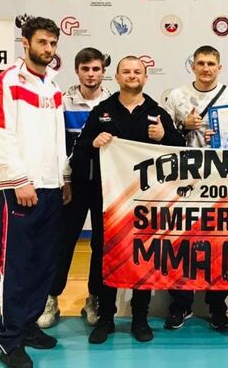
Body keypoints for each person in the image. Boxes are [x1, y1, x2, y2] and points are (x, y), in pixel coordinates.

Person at [71, 56, 185, 344]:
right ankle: (106, 318)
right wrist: (93, 143)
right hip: (108, 200)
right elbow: (80, 148)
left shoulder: (157, 113)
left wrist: (164, 137)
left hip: (146, 202)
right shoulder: (102, 111)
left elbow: (181, 151)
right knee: (105, 254)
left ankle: (140, 318)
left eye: (137, 72)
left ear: (145, 78)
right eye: (126, 71)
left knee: (143, 255)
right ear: (118, 77)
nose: (132, 75)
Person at [0, 16, 68, 368]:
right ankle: (10, 338)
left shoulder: (52, 85)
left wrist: (64, 176)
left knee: (43, 263)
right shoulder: (7, 81)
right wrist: (19, 179)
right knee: (17, 265)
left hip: (51, 186)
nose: (48, 49)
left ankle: (29, 323)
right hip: (21, 187)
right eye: (42, 42)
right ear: (25, 43)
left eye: (52, 43)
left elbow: (57, 137)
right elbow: (1, 133)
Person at [163, 45, 228, 332]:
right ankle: (181, 304)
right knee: (180, 243)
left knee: (219, 244)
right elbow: (163, 139)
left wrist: (221, 141)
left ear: (219, 67)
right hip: (183, 180)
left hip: (220, 181)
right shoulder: (177, 96)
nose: (206, 68)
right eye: (201, 63)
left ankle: (217, 305)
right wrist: (183, 126)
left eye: (211, 63)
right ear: (192, 66)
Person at [37, 48, 112, 329]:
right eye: (85, 69)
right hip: (74, 184)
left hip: (106, 185)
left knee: (101, 244)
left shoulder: (113, 103)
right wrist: (65, 180)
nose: (91, 74)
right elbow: (57, 145)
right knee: (63, 241)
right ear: (77, 70)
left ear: (103, 72)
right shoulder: (63, 102)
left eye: (96, 69)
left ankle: (94, 298)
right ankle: (50, 297)